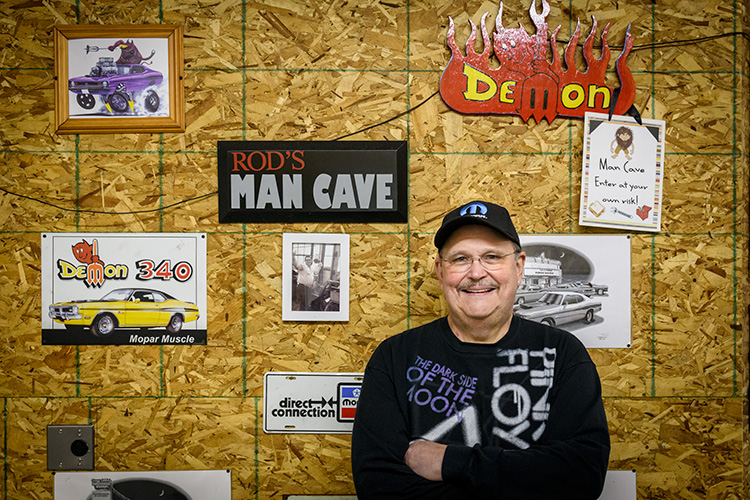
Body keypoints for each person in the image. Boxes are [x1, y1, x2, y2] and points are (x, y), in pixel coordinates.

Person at [351, 201, 610, 499]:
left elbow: (581, 476)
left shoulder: (563, 353)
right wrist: (522, 480)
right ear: (440, 270)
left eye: (492, 256)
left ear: (519, 266)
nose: (476, 273)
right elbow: (378, 487)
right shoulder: (395, 357)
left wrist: (453, 462)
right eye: (460, 259)